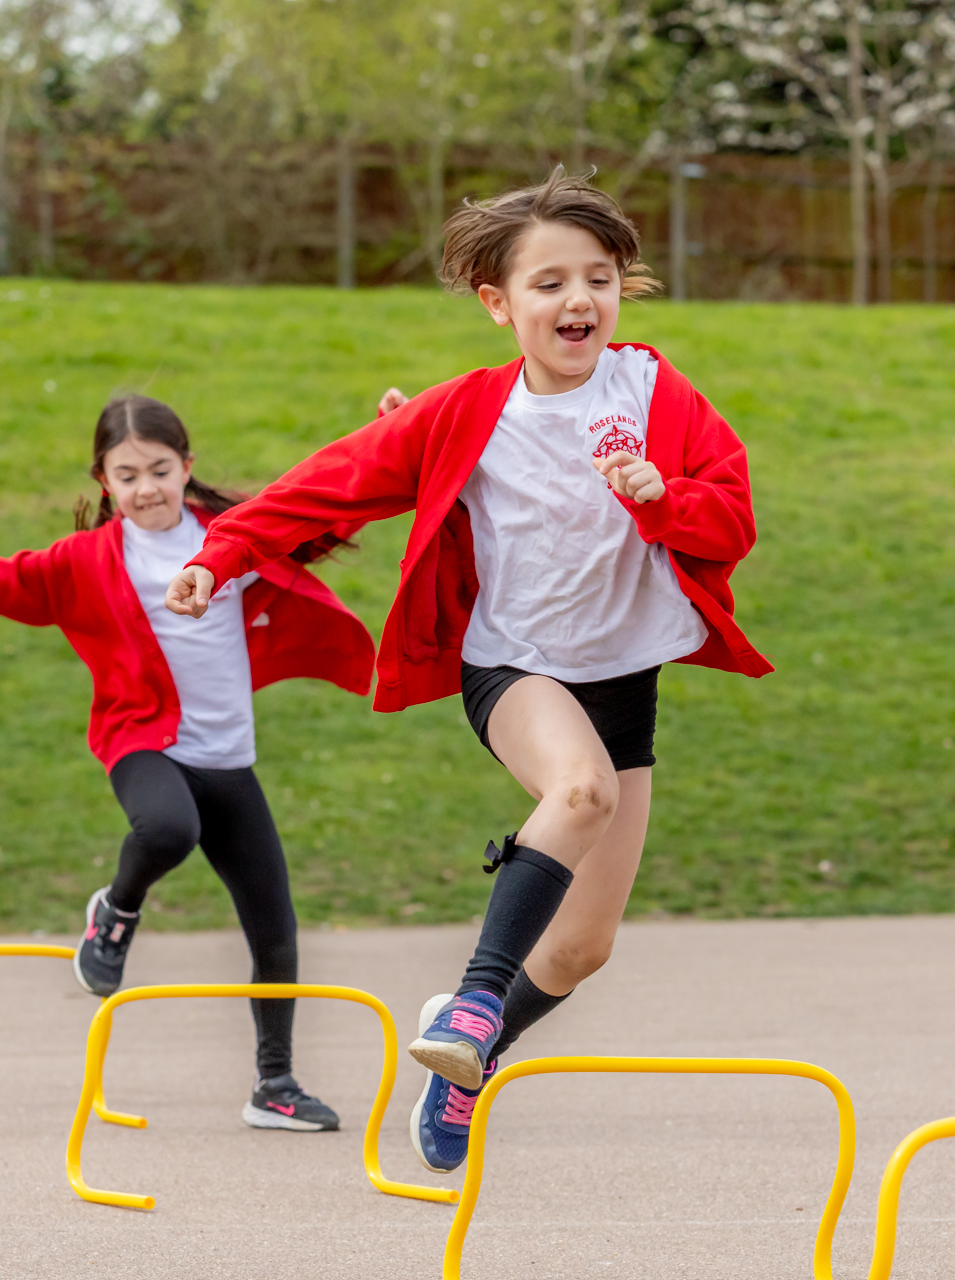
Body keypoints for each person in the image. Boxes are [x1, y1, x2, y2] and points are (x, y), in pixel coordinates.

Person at [165, 169, 770, 1172]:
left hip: (625, 683)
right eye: (549, 283)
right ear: (498, 303)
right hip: (514, 666)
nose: (579, 300)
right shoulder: (464, 414)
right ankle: (478, 997)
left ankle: (462, 1061)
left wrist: (664, 498)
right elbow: (333, 482)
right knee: (575, 790)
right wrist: (214, 553)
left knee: (582, 949)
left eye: (599, 278)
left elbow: (733, 519)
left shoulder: (658, 393)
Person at [0, 394, 374, 1133]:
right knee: (167, 828)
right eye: (128, 474)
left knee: (275, 928)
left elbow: (326, 513)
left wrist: (379, 429)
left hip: (228, 757)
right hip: (142, 742)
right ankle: (114, 913)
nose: (147, 488)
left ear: (188, 468)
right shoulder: (86, 562)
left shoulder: (230, 539)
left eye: (160, 470)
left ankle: (274, 1085)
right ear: (103, 481)